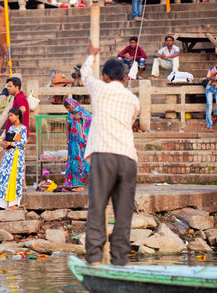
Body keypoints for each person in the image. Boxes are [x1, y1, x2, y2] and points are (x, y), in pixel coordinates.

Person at [81, 41, 140, 266]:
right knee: (123, 214)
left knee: (97, 208)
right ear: (124, 78)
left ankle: (95, 260)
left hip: (104, 153)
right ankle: (120, 261)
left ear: (105, 76)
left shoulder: (100, 89)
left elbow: (85, 74)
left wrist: (91, 55)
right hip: (127, 157)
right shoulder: (133, 101)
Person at [0, 108, 27, 209]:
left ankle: (14, 203)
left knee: (14, 177)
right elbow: (6, 140)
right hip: (8, 155)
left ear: (17, 116)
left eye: (11, 115)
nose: (9, 118)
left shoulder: (23, 128)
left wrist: (10, 143)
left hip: (17, 156)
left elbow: (23, 142)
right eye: (9, 116)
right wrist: (3, 143)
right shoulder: (11, 128)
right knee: (3, 175)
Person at [5, 77, 29, 189]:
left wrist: (16, 125)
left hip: (18, 133)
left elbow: (22, 109)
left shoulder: (20, 97)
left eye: (10, 86)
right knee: (17, 158)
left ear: (17, 87)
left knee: (19, 158)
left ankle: (23, 183)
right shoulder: (17, 97)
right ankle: (20, 183)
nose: (8, 88)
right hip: (16, 132)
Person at [63, 98, 92, 192]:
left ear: (73, 104)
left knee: (79, 162)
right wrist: (67, 139)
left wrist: (82, 117)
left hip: (82, 141)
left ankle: (79, 185)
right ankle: (70, 184)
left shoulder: (82, 111)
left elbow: (91, 119)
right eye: (66, 108)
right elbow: (68, 127)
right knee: (72, 161)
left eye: (68, 107)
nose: (68, 109)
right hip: (73, 142)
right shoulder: (69, 115)